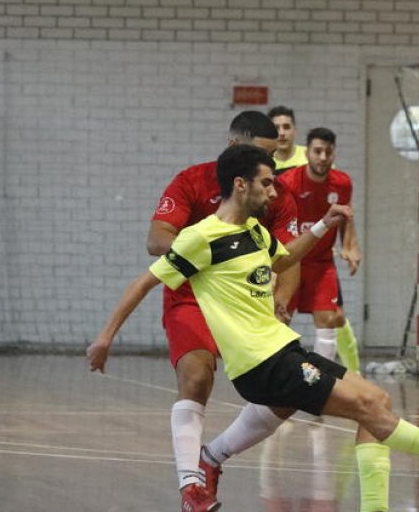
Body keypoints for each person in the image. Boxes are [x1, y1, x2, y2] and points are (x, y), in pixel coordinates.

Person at [93, 145, 419, 512]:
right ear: (240, 185)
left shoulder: (255, 233)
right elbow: (145, 281)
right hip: (262, 364)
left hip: (284, 350)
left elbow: (283, 259)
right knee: (371, 405)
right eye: (266, 182)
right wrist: (105, 337)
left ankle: (378, 500)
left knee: (376, 402)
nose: (273, 190)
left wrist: (324, 224)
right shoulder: (201, 238)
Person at [88, 111, 300, 512]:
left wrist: (282, 299)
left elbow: (288, 258)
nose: (271, 168)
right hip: (191, 294)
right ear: (236, 147)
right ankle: (191, 489)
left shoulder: (277, 192)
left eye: (275, 158)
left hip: (247, 302)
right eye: (262, 155)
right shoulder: (192, 181)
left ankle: (213, 457)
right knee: (197, 375)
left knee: (288, 392)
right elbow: (156, 240)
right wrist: (210, 249)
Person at [277, 127, 363, 376]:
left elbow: (346, 216)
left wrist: (350, 244)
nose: (323, 157)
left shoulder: (342, 183)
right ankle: (280, 379)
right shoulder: (287, 183)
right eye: (317, 151)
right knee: (280, 319)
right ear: (307, 153)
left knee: (329, 319)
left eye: (328, 151)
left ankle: (319, 382)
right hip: (290, 261)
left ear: (334, 153)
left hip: (322, 262)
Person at [267, 106, 308, 174]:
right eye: (276, 128)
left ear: (294, 130)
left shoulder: (310, 156)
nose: (281, 133)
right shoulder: (263, 162)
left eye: (286, 127)